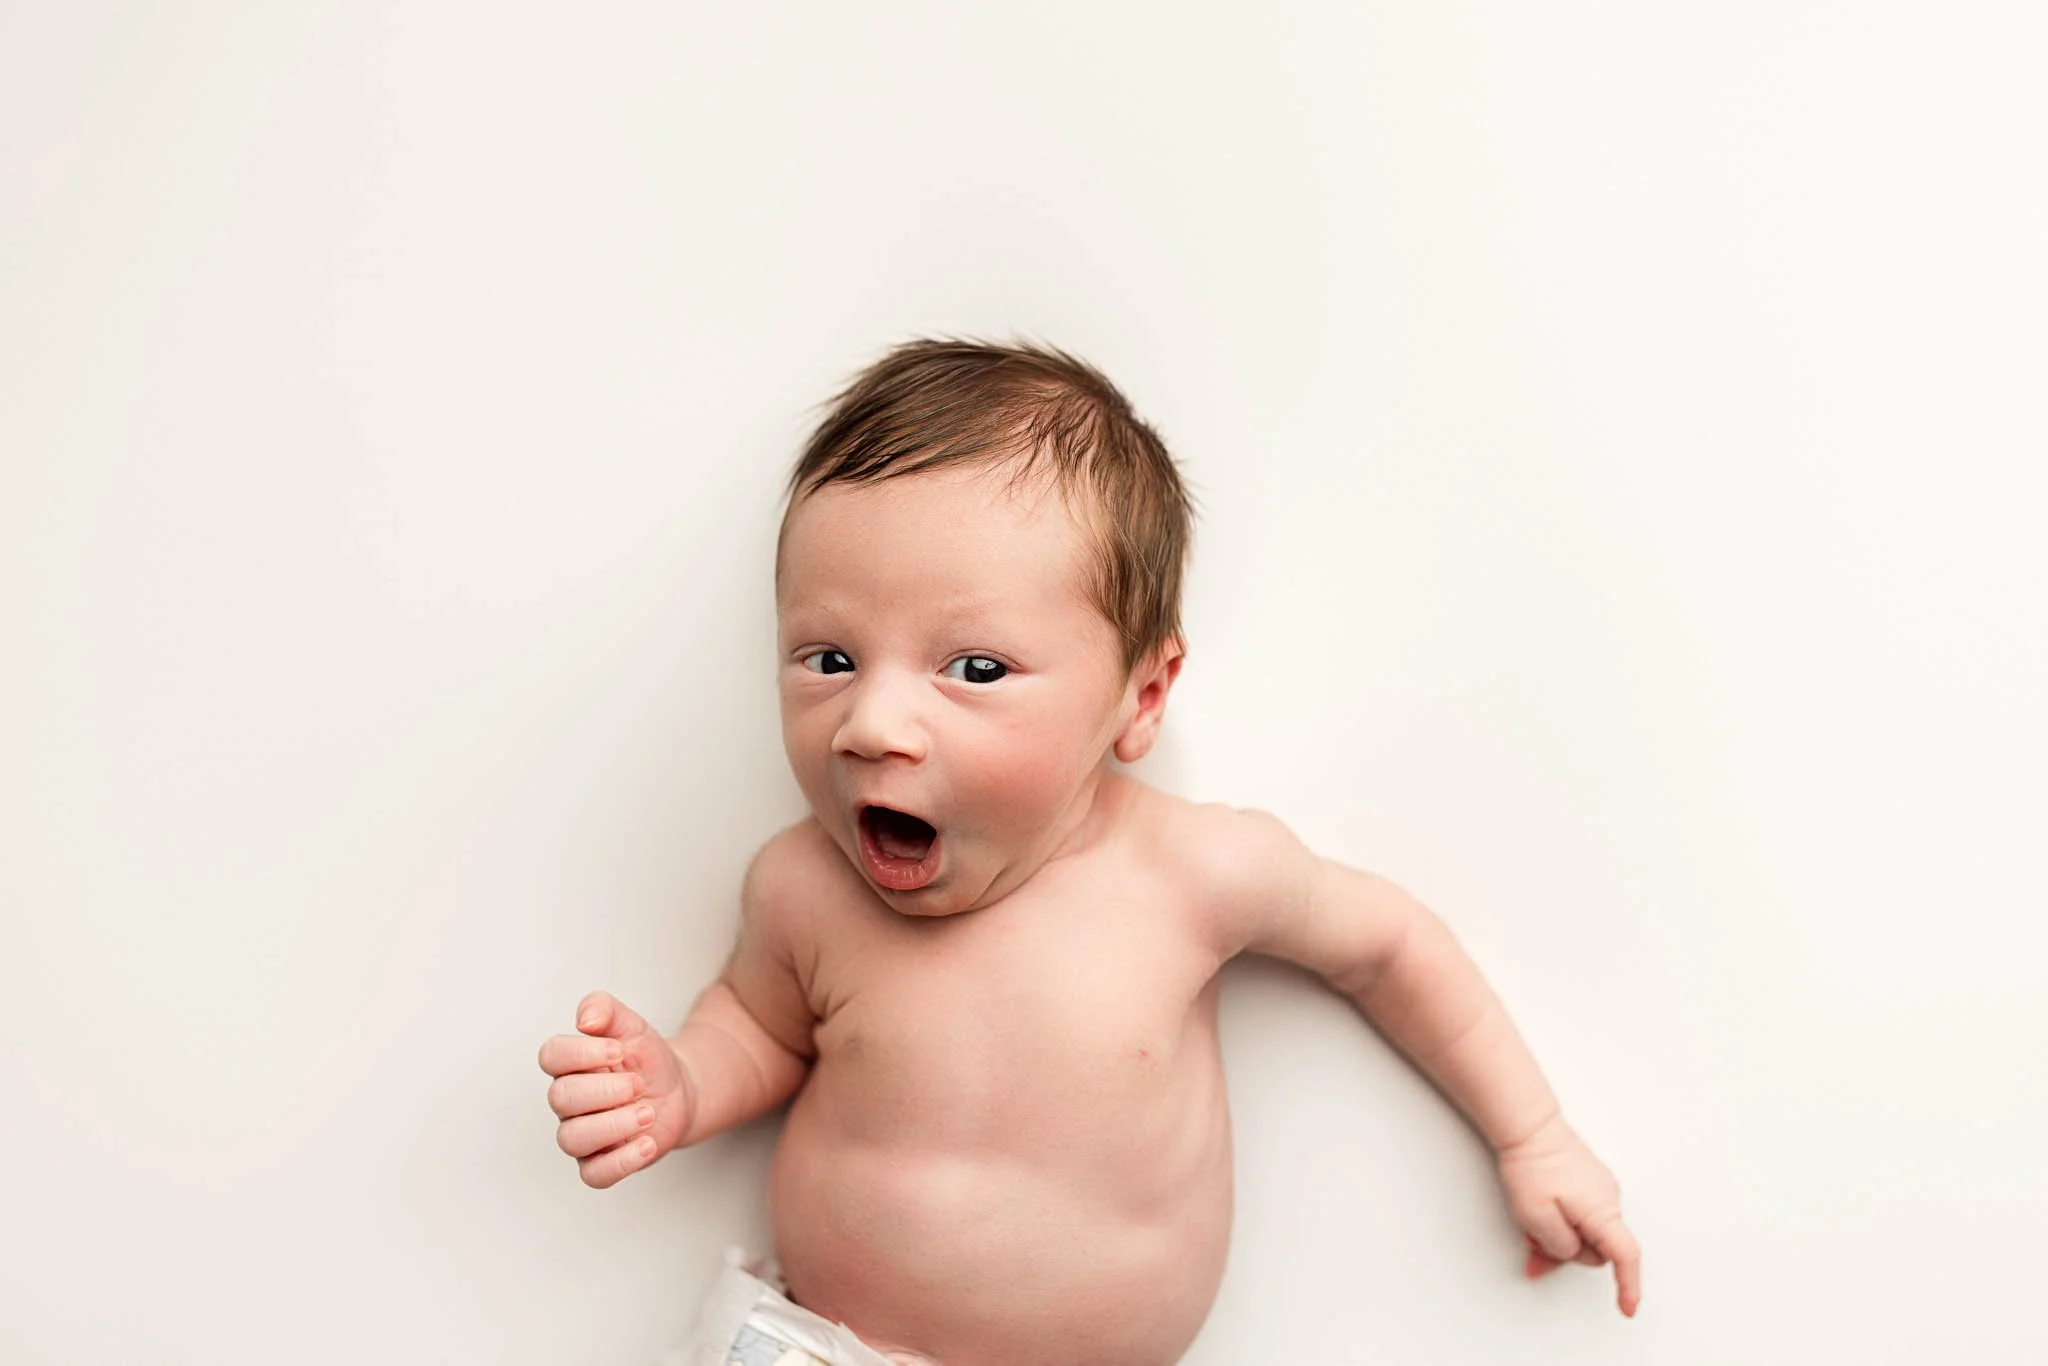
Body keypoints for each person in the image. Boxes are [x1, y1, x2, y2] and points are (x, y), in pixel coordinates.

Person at [537, 338, 1641, 1366]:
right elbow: (756, 1028)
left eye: (972, 669)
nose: (869, 723)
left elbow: (1388, 947)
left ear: (1139, 695)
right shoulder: (801, 887)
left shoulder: (1193, 876)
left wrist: (1532, 1135)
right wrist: (680, 1084)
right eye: (827, 656)